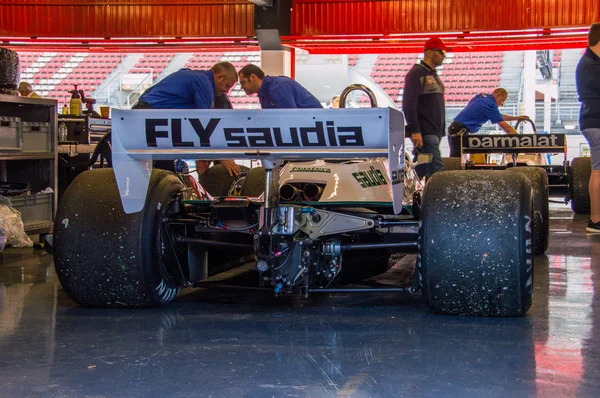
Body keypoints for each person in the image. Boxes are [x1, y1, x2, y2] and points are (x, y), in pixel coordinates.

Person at [133, 62, 240, 176]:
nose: (227, 91)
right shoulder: (204, 83)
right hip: (149, 121)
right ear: (220, 77)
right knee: (165, 177)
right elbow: (203, 124)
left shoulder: (191, 75)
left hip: (142, 117)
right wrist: (222, 157)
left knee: (162, 171)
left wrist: (202, 157)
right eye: (227, 85)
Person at [402, 37, 449, 179]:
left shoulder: (432, 74)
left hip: (434, 131)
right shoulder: (417, 73)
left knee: (422, 168)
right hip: (425, 131)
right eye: (441, 52)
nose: (444, 56)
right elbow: (409, 103)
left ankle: (410, 193)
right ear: (429, 52)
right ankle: (441, 200)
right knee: (437, 171)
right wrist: (415, 130)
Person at [447, 88, 531, 157]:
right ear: (498, 95)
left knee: (457, 158)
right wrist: (522, 142)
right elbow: (507, 128)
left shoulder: (481, 97)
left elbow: (496, 115)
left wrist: (516, 118)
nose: (502, 104)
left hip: (456, 128)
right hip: (459, 131)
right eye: (502, 100)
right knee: (456, 161)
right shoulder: (489, 104)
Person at [576, 23, 600, 233]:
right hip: (596, 122)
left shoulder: (591, 62)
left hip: (593, 121)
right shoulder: (591, 65)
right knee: (598, 171)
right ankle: (596, 220)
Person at [238, 64, 322, 109]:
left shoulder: (277, 87)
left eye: (243, 82)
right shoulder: (264, 93)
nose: (242, 87)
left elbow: (288, 118)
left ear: (253, 77)